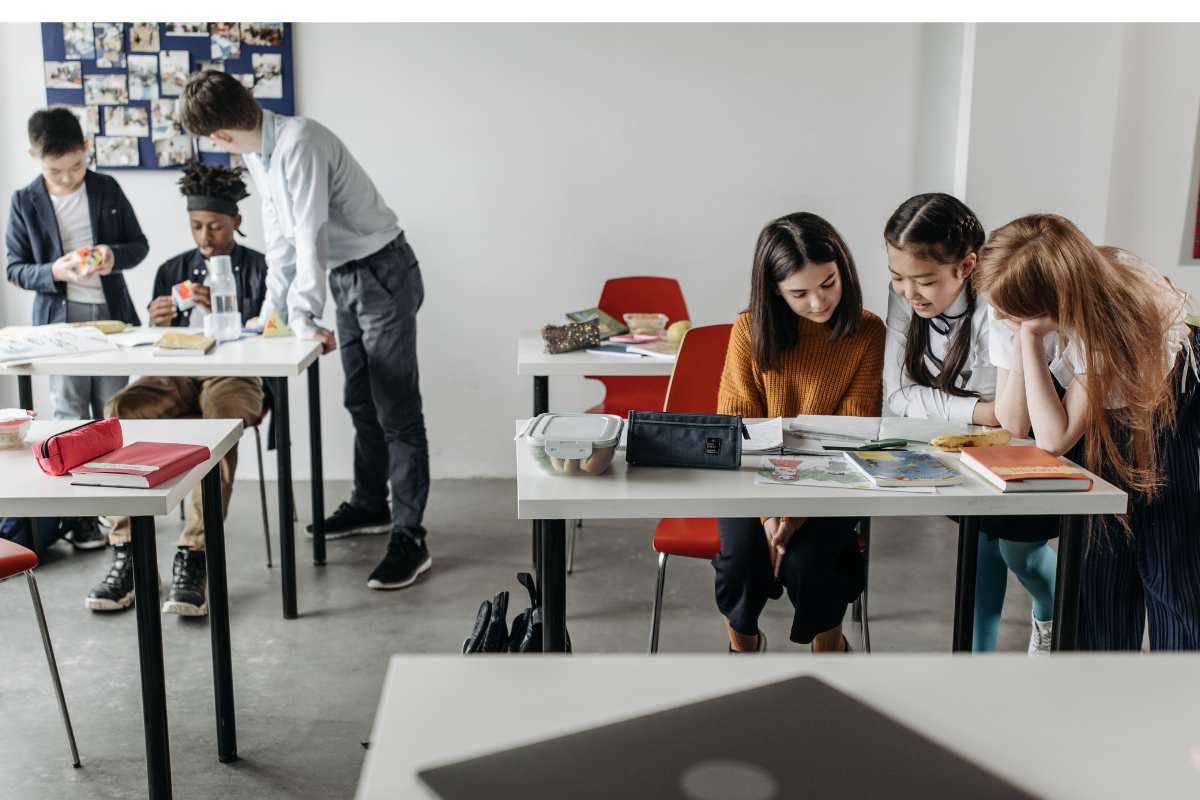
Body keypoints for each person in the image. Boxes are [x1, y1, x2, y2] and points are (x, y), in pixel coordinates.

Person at [178, 71, 432, 591]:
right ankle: (369, 505)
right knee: (360, 401)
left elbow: (309, 232)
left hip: (381, 271)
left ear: (218, 136)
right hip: (347, 276)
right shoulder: (259, 152)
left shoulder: (301, 142)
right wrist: (273, 315)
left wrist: (302, 316)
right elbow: (280, 242)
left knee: (396, 410)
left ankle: (411, 537)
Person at [975, 214, 1199, 651]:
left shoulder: (1115, 313)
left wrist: (1027, 340)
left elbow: (1055, 439)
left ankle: (1182, 698)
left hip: (1171, 405)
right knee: (1099, 567)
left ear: (1051, 304)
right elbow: (1016, 422)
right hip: (1100, 415)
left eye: (1010, 310)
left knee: (1172, 571)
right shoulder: (1008, 295)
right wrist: (1026, 337)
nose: (996, 315)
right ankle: (1097, 693)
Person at [86, 164, 266, 615]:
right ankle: (127, 551)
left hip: (236, 372)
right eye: (196, 226)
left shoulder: (261, 267)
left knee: (221, 427)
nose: (205, 237)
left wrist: (230, 311)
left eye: (216, 227)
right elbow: (152, 343)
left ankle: (195, 555)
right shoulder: (172, 268)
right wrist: (158, 319)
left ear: (236, 223)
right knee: (120, 409)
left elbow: (274, 331)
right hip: (178, 368)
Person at [882, 193, 1058, 653]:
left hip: (1036, 439)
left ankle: (1053, 616)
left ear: (966, 266)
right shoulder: (908, 297)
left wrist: (978, 410)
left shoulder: (999, 304)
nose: (908, 292)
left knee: (1020, 553)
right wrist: (982, 411)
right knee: (980, 554)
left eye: (923, 280)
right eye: (897, 277)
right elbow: (898, 396)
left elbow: (1015, 418)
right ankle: (976, 665)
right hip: (970, 446)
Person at [714, 212, 884, 653]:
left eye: (828, 283)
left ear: (842, 269)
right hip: (751, 481)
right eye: (799, 293)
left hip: (834, 478)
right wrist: (771, 515)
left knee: (810, 565)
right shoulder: (747, 333)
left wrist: (793, 518)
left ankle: (830, 649)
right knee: (742, 566)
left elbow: (851, 434)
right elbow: (739, 432)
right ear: (774, 289)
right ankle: (742, 646)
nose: (818, 302)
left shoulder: (867, 332)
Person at [6, 106, 149, 550]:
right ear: (33, 156)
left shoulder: (107, 187)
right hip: (57, 325)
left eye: (76, 166)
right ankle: (80, 517)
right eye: (56, 170)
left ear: (86, 149)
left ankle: (115, 514)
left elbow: (138, 245)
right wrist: (55, 271)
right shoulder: (24, 200)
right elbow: (15, 268)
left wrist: (110, 255)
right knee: (69, 417)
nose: (68, 178)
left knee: (111, 414)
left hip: (110, 321)